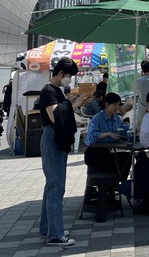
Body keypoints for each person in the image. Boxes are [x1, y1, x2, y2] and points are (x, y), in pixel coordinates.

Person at [39, 57, 89, 247]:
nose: (69, 79)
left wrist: (75, 102)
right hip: (52, 139)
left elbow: (62, 112)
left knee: (51, 186)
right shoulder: (48, 91)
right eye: (69, 76)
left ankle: (48, 228)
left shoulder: (56, 91)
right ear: (61, 73)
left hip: (55, 139)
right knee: (56, 187)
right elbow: (55, 116)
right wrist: (75, 103)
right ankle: (55, 235)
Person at [83, 92, 135, 203]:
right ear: (107, 105)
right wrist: (107, 134)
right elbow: (90, 138)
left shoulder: (117, 119)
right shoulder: (97, 119)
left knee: (126, 157)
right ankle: (111, 187)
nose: (117, 107)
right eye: (114, 105)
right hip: (94, 154)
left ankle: (116, 185)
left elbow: (123, 131)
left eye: (118, 105)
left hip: (108, 152)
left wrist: (132, 131)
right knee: (116, 161)